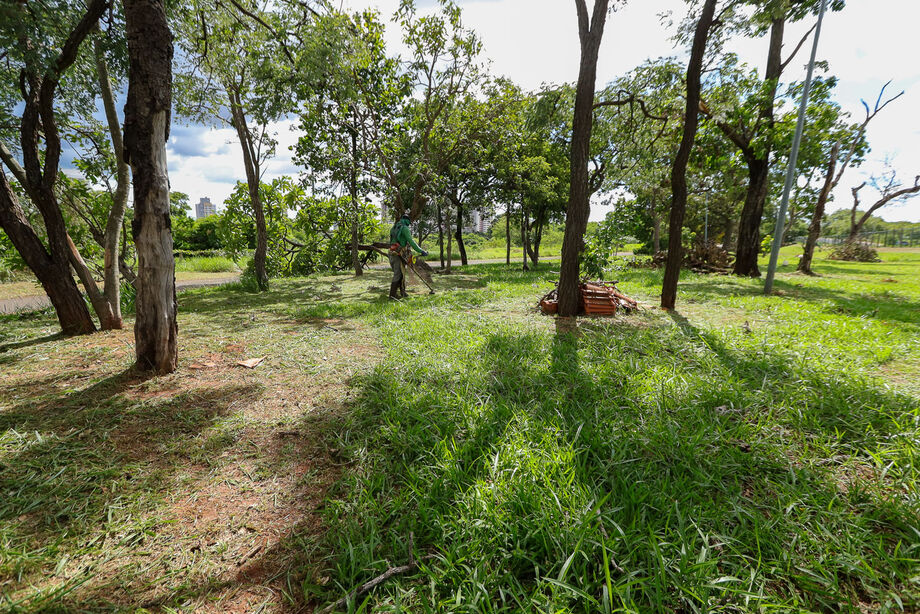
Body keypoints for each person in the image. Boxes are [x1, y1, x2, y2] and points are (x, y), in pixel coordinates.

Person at [388, 213, 427, 299]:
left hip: (391, 252)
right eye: (409, 222)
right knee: (398, 274)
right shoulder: (404, 228)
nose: (410, 224)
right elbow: (411, 241)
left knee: (401, 274)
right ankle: (392, 295)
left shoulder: (394, 228)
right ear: (407, 220)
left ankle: (402, 292)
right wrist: (421, 251)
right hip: (398, 253)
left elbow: (391, 241)